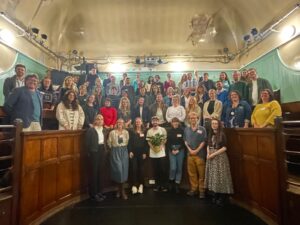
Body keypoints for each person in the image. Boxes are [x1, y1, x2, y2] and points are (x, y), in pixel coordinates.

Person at [205, 118, 233, 206]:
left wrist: (213, 154)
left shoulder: (222, 134)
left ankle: (222, 196)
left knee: (221, 177)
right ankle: (215, 194)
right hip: (211, 157)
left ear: (219, 125)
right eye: (212, 123)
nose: (214, 125)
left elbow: (224, 148)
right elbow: (208, 145)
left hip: (220, 158)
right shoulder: (210, 134)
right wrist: (208, 153)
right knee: (214, 177)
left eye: (216, 123)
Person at [85, 114, 109, 202]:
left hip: (102, 150)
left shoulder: (105, 130)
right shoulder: (91, 130)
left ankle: (99, 191)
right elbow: (87, 144)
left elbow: (106, 141)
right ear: (95, 120)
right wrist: (90, 153)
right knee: (94, 173)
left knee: (100, 171)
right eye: (98, 119)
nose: (100, 120)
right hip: (94, 152)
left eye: (101, 119)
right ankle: (93, 193)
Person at [184, 112, 207, 199]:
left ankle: (202, 191)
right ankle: (194, 189)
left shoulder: (202, 129)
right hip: (189, 155)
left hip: (199, 155)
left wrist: (196, 150)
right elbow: (185, 141)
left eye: (194, 118)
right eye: (191, 118)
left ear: (198, 119)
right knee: (192, 174)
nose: (193, 119)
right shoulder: (186, 129)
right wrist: (190, 150)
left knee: (202, 174)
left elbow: (204, 141)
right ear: (189, 120)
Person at [107, 118, 130, 200]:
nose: (120, 123)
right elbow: (109, 143)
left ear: (124, 124)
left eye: (122, 122)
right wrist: (113, 150)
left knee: (124, 170)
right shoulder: (112, 132)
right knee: (118, 170)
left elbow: (127, 141)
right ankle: (119, 189)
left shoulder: (126, 132)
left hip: (124, 151)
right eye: (119, 122)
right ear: (116, 123)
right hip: (115, 151)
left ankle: (121, 190)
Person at [146, 116, 168, 192]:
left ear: (158, 122)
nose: (155, 122)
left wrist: (160, 147)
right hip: (153, 153)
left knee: (162, 169)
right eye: (153, 121)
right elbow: (148, 141)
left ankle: (163, 186)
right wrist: (153, 148)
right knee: (155, 170)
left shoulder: (163, 129)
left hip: (161, 152)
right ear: (152, 122)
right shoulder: (149, 131)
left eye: (156, 121)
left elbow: (165, 139)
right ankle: (157, 186)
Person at [128, 118, 148, 194]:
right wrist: (130, 151)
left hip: (141, 153)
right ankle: (133, 186)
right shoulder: (131, 131)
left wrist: (145, 152)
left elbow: (146, 143)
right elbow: (129, 142)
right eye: (136, 122)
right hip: (133, 153)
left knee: (141, 170)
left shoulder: (145, 131)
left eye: (139, 121)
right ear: (135, 123)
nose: (138, 123)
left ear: (141, 122)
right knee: (133, 169)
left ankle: (141, 185)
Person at [166, 117, 185, 194]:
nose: (175, 123)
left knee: (179, 168)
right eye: (174, 122)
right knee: (173, 168)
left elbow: (184, 142)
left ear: (178, 123)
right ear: (171, 123)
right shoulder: (169, 131)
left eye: (176, 122)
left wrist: (178, 149)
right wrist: (172, 149)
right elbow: (167, 142)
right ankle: (171, 181)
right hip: (172, 150)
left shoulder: (182, 130)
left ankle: (177, 184)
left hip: (180, 150)